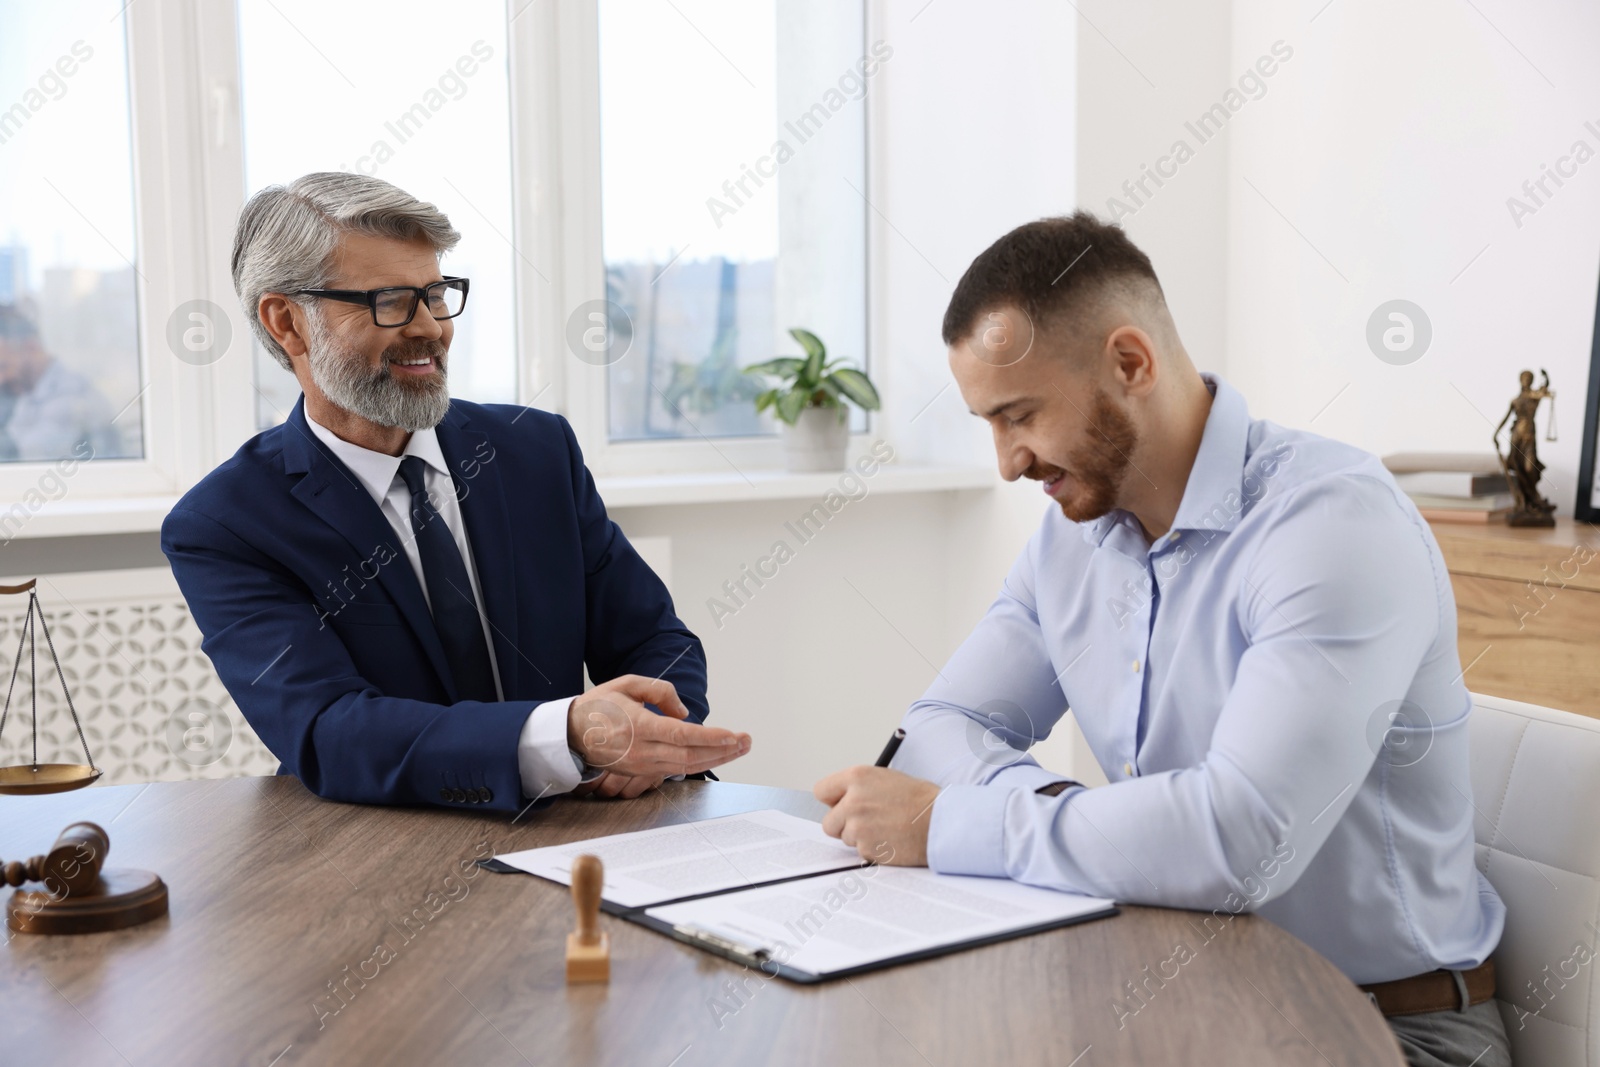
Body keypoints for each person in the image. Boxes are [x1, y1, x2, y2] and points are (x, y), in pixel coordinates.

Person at [813, 213, 1509, 1066]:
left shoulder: (1331, 527)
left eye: (1020, 414)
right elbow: (940, 725)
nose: (1006, 462)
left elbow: (1242, 841)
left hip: (1388, 1028)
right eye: (987, 423)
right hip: (1182, 997)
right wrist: (1053, 820)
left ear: (1130, 363)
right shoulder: (1074, 537)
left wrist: (960, 822)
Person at [162, 172, 749, 811]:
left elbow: (654, 638)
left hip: (573, 822)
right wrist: (568, 733)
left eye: (436, 295)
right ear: (287, 323)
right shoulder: (225, 524)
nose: (429, 328)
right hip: (372, 849)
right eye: (390, 300)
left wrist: (655, 738)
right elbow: (329, 730)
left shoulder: (537, 450)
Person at [0, 303, 123, 462]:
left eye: (3, 367)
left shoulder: (72, 397)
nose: (1, 379)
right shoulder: (30, 392)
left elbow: (27, 458)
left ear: (31, 348)